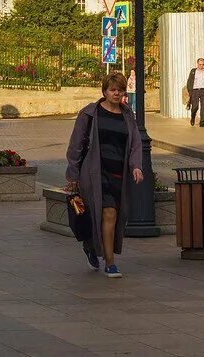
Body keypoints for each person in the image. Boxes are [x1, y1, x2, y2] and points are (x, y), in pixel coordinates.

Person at [65, 71, 144, 278]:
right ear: (105, 91)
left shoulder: (127, 115)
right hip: (93, 173)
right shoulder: (90, 114)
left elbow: (135, 144)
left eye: (120, 90)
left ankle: (99, 254)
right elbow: (75, 146)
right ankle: (104, 258)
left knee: (112, 214)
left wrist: (136, 166)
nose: (117, 94)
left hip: (118, 174)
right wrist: (72, 176)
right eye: (113, 90)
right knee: (101, 213)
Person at [185, 58, 204, 127]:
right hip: (195, 91)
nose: (201, 66)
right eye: (200, 64)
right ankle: (193, 117)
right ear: (197, 64)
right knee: (195, 107)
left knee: (203, 107)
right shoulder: (193, 71)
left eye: (202, 64)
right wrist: (190, 91)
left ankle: (202, 122)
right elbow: (189, 82)